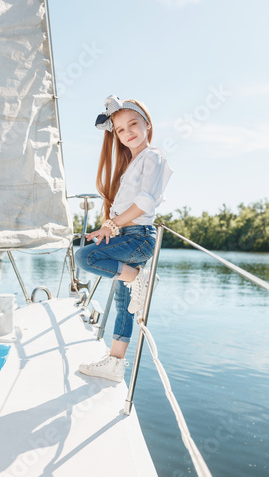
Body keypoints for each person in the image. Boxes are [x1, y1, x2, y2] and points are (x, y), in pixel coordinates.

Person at [75, 94, 173, 382]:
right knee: (123, 303)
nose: (128, 132)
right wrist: (112, 226)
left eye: (133, 124)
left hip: (139, 237)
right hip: (130, 235)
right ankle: (116, 363)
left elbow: (144, 204)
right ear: (115, 136)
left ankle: (136, 277)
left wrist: (110, 225)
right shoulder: (131, 164)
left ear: (147, 126)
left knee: (85, 256)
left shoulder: (153, 156)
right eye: (120, 129)